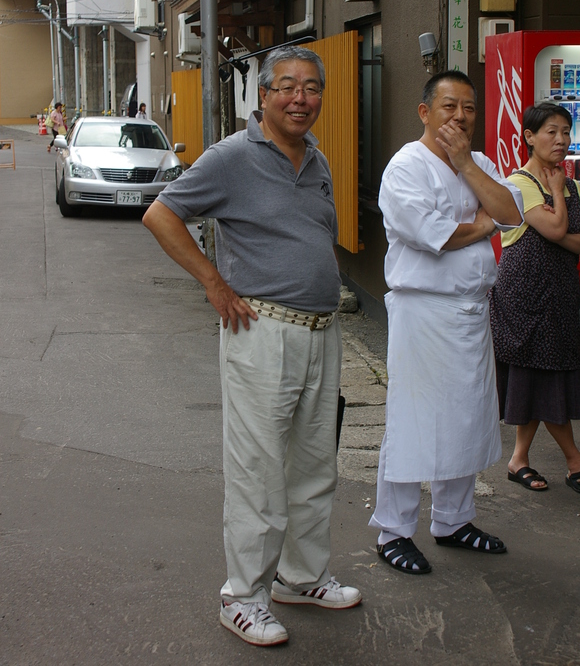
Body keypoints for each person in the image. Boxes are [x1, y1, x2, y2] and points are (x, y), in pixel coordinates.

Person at [142, 46, 361, 647]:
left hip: (322, 332)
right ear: (262, 95)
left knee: (313, 466)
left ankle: (302, 576)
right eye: (287, 86)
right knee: (258, 470)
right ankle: (243, 596)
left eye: (312, 88)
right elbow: (163, 215)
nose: (300, 98)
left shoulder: (316, 160)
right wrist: (213, 282)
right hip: (261, 331)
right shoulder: (232, 157)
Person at [369, 70, 524, 574]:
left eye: (469, 109)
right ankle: (393, 530)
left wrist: (466, 166)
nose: (460, 117)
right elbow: (430, 232)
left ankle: (453, 520)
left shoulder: (476, 161)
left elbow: (511, 210)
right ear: (425, 112)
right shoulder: (405, 167)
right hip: (424, 313)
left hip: (473, 311)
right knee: (413, 422)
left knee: (468, 418)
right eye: (449, 106)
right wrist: (484, 224)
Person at [489, 102, 580, 494]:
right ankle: (575, 461)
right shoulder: (519, 182)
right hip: (525, 297)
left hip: (559, 296)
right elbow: (558, 230)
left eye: (566, 131)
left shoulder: (572, 183)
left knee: (542, 378)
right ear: (529, 137)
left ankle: (518, 459)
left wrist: (560, 198)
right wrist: (557, 192)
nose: (560, 140)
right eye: (551, 132)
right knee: (542, 376)